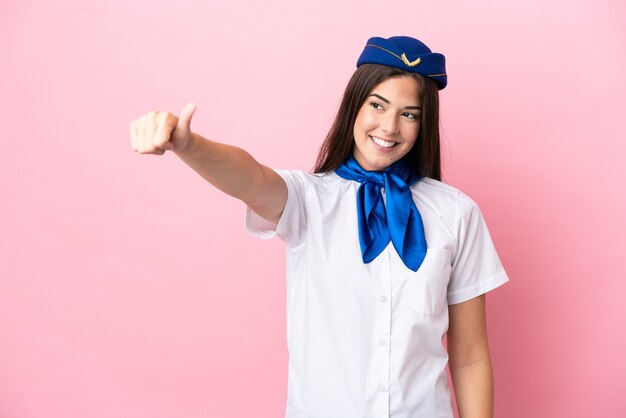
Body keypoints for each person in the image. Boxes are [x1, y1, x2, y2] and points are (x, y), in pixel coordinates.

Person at [130, 35, 509, 418]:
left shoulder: (457, 214)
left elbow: (470, 358)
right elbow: (250, 177)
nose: (390, 126)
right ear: (354, 106)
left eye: (409, 114)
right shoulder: (307, 200)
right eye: (377, 105)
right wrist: (189, 145)